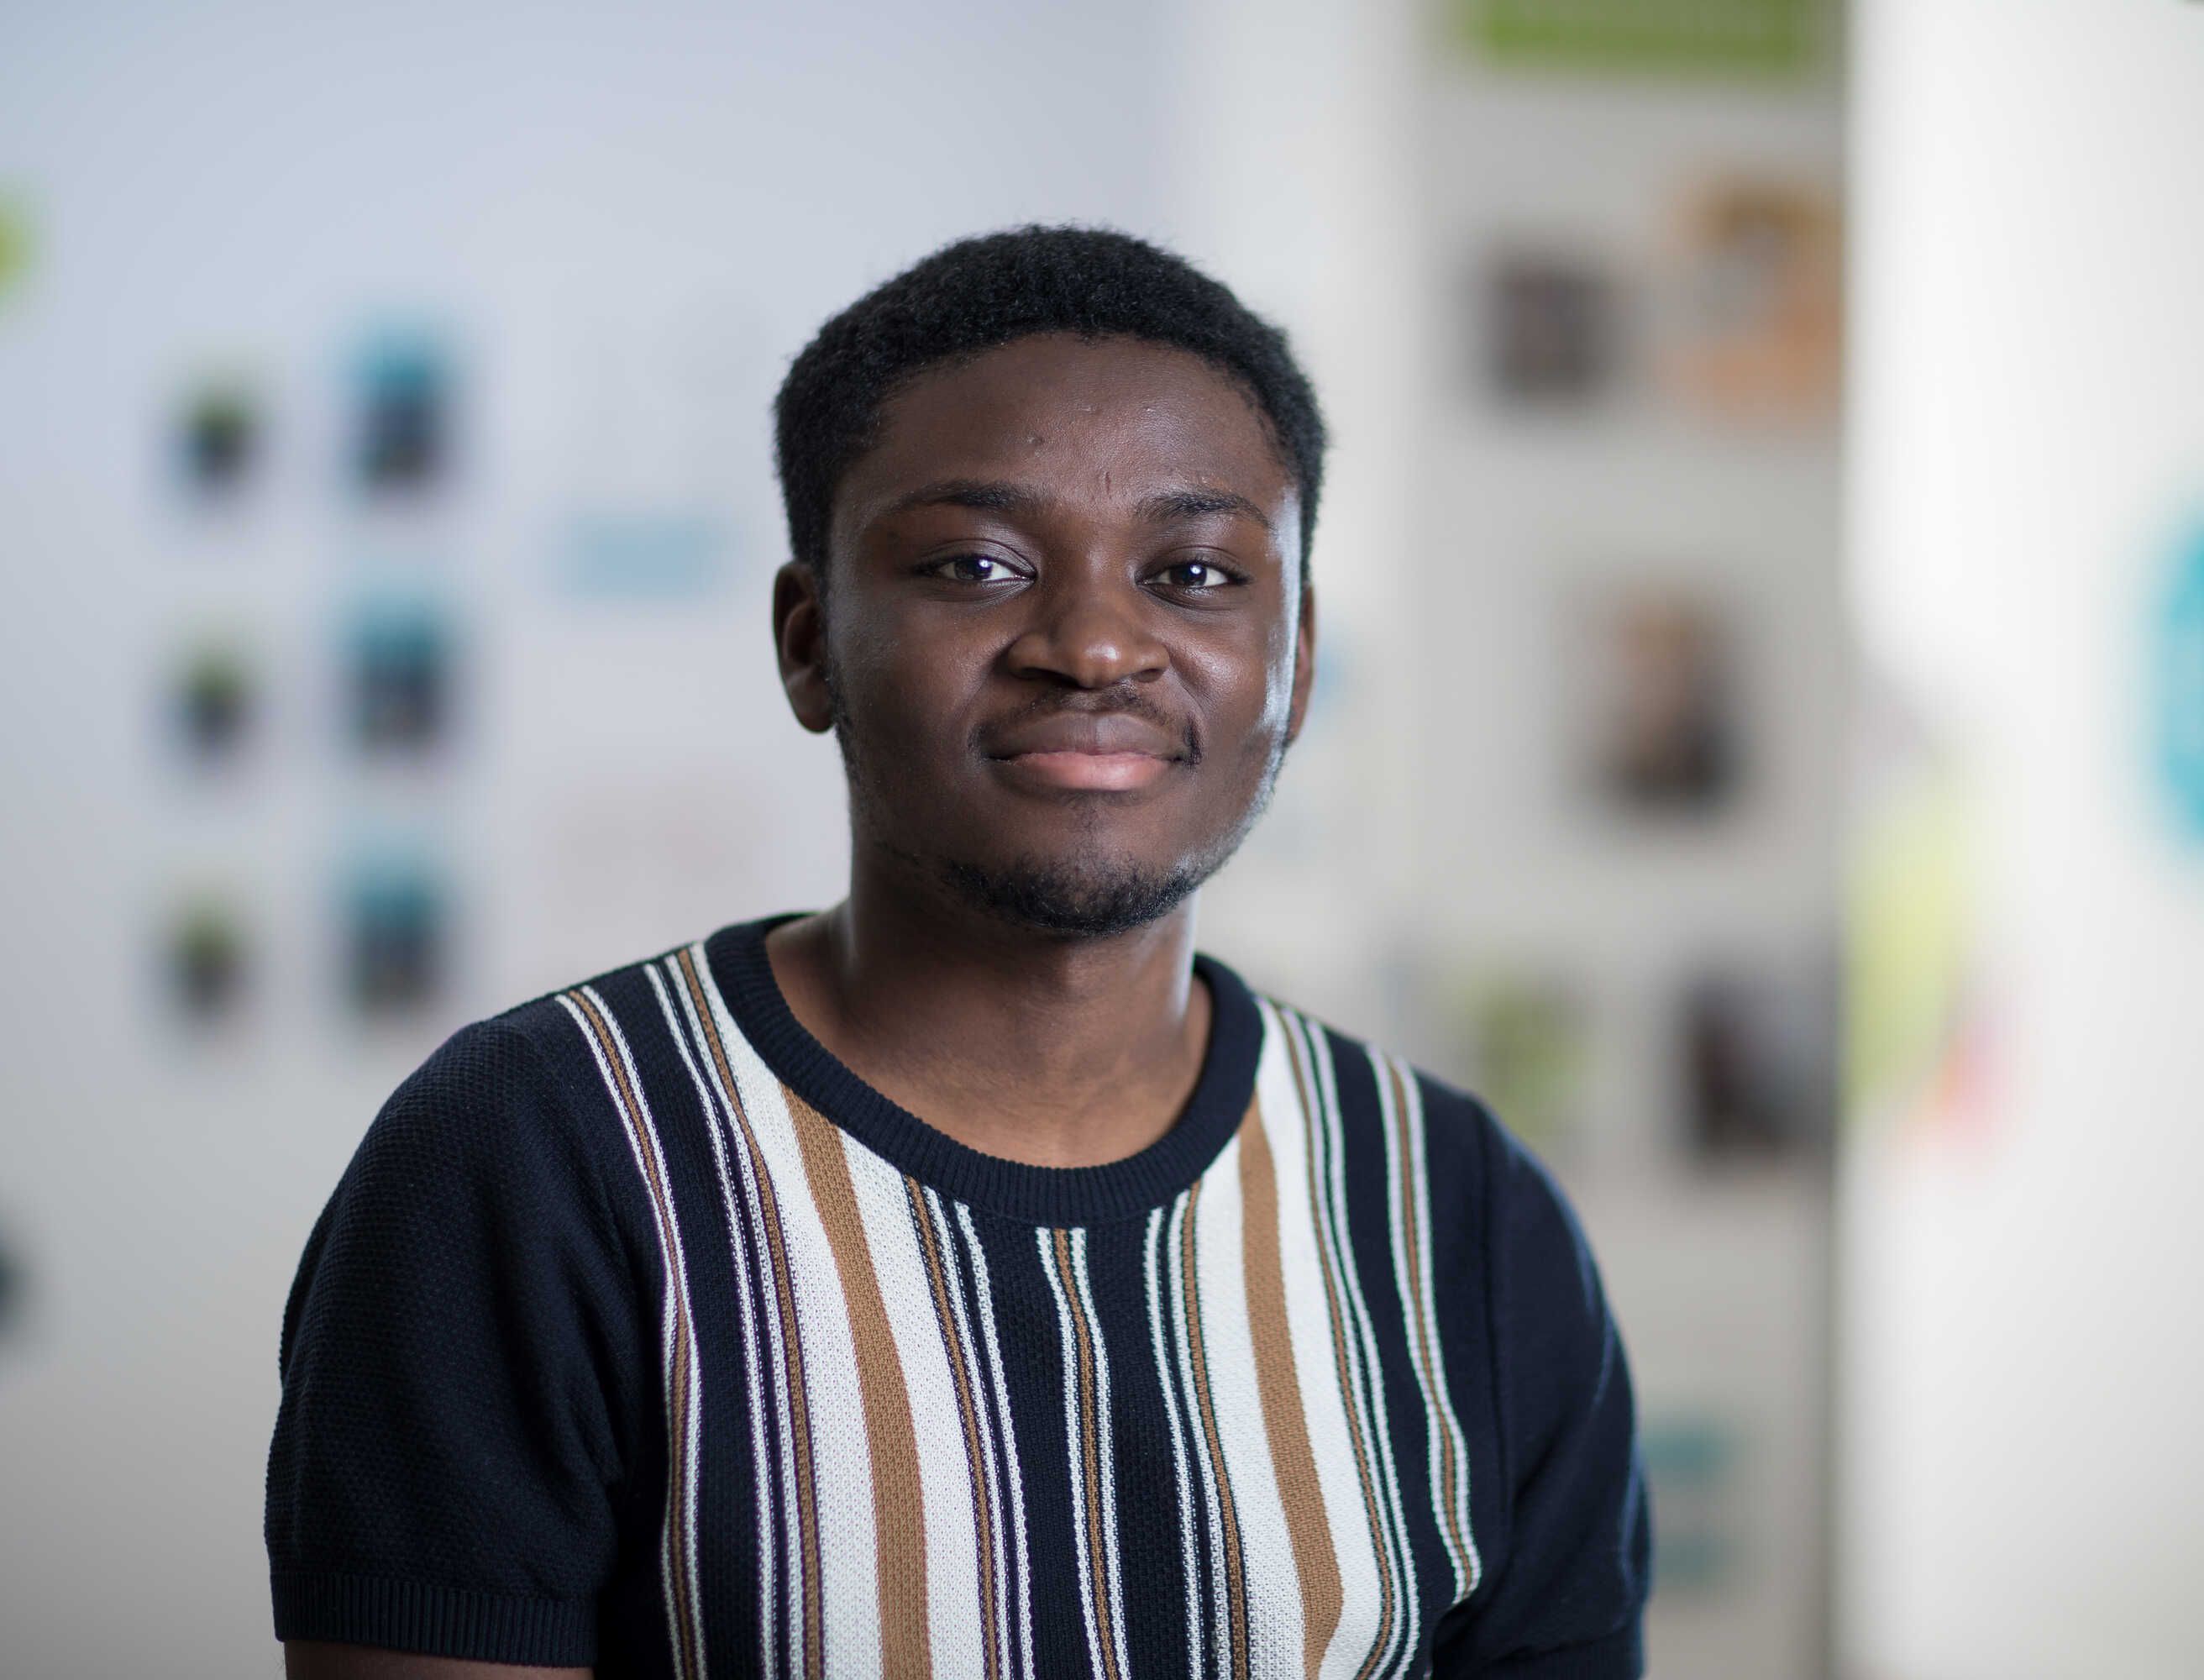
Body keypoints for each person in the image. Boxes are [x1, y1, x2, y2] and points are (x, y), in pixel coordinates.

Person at [266, 226, 1650, 1679]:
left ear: (1296, 660)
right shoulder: (536, 1159)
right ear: (810, 641)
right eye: (977, 564)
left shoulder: (1458, 1215)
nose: (1097, 645)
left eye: (1192, 571)